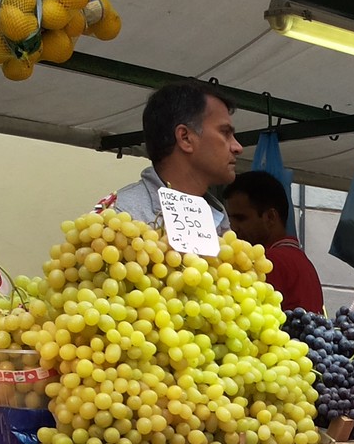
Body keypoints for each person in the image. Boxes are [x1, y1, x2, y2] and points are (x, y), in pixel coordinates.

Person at [99, 80, 241, 229]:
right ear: (185, 138)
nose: (238, 147)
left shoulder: (218, 218)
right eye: (225, 133)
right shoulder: (118, 219)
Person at [223, 170, 325, 314]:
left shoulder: (270, 262)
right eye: (230, 219)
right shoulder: (300, 259)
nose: (233, 228)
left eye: (241, 218)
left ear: (270, 217)